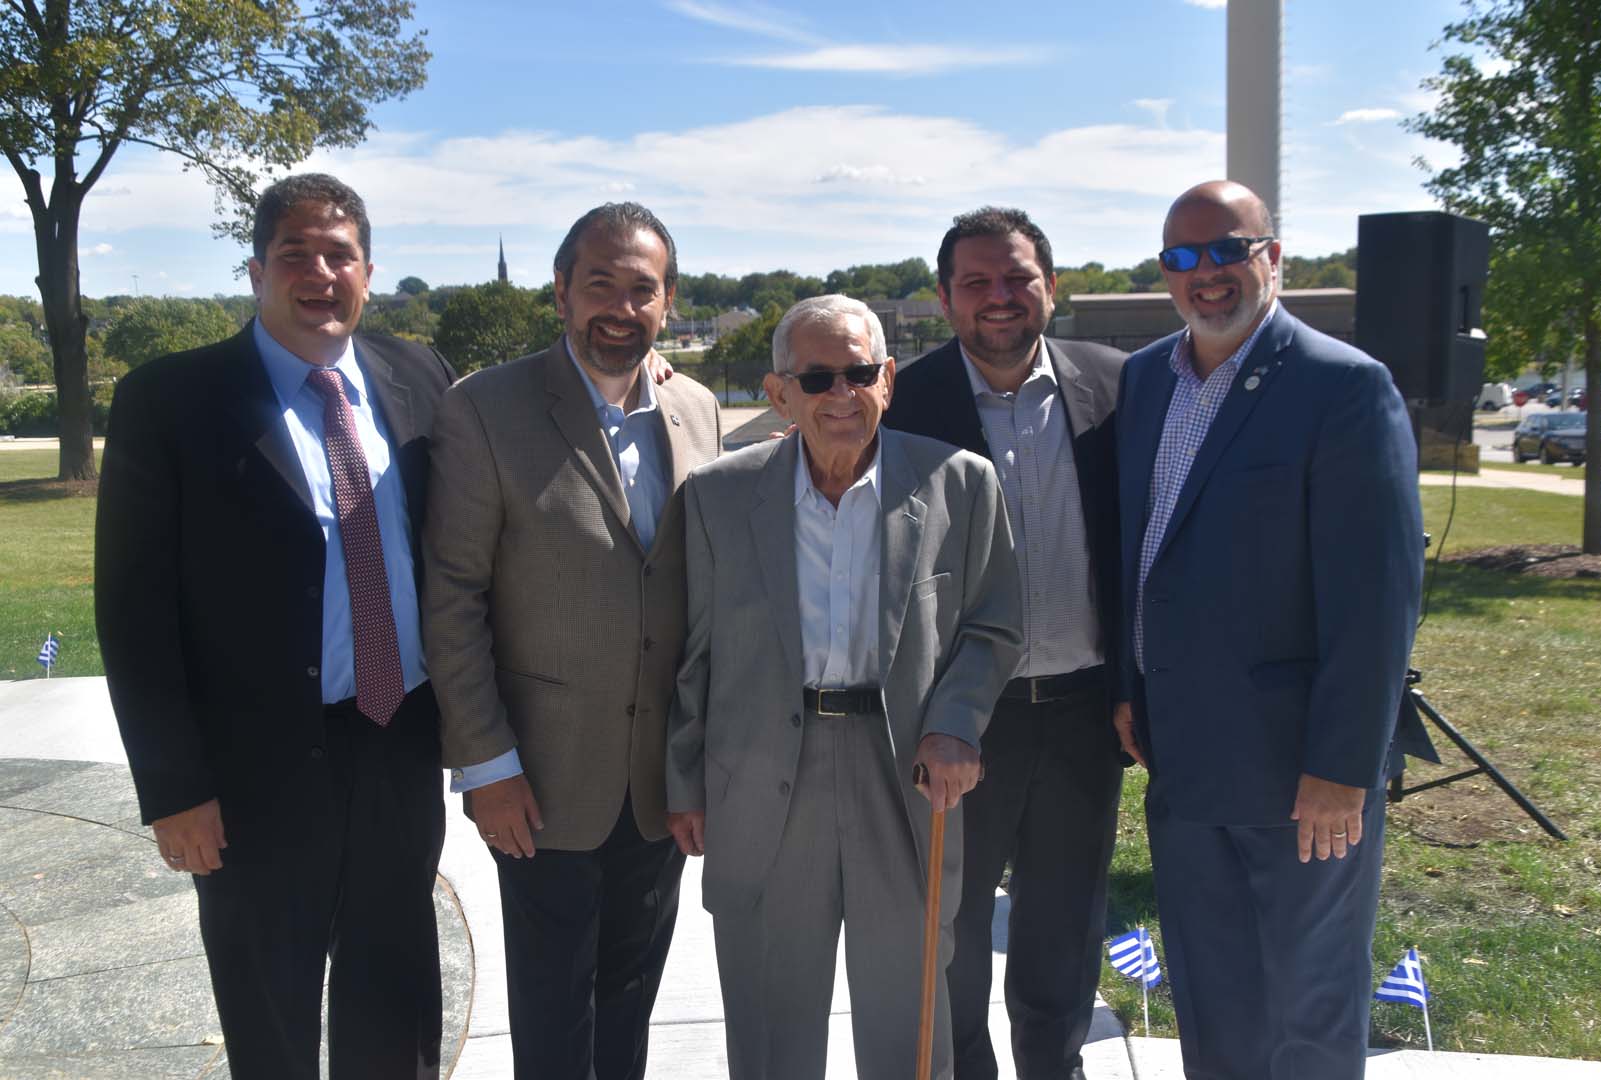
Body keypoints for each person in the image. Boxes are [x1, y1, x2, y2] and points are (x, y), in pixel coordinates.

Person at [95, 173, 453, 1078]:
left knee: (396, 994)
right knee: (270, 1011)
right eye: (295, 253)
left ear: (369, 273)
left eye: (339, 255)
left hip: (397, 741)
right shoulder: (171, 400)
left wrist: (633, 373)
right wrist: (174, 788)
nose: (319, 272)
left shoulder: (418, 375)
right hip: (252, 769)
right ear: (256, 271)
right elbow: (134, 608)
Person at [666, 294, 1023, 1080]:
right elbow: (695, 653)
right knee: (769, 1015)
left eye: (859, 372)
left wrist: (957, 723)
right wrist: (685, 780)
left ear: (888, 379)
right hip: (760, 777)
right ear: (778, 394)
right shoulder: (718, 495)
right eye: (817, 376)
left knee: (909, 1012)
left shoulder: (959, 484)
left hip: (901, 771)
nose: (840, 394)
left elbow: (993, 626)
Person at [1113, 180, 1424, 1079]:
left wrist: (1342, 766)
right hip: (1180, 755)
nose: (1205, 274)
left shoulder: (1343, 387)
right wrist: (1127, 693)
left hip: (1301, 773)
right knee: (1212, 998)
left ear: (1273, 258)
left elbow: (1380, 600)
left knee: (1308, 1006)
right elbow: (1142, 549)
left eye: (1227, 250)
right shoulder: (1145, 382)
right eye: (1182, 257)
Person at [422, 202, 722, 1080]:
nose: (621, 309)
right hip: (538, 780)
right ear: (560, 291)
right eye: (601, 285)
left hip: (659, 781)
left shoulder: (695, 409)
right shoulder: (484, 408)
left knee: (632, 993)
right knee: (555, 1015)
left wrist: (698, 761)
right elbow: (453, 598)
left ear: (667, 303)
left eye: (643, 290)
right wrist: (486, 765)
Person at [884, 206, 1127, 1080]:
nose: (999, 297)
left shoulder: (1118, 385)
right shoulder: (899, 402)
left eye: (1018, 277)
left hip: (1084, 713)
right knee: (948, 932)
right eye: (976, 282)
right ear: (946, 299)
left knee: (1063, 926)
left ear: (1050, 287)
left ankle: (1054, 1069)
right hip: (958, 719)